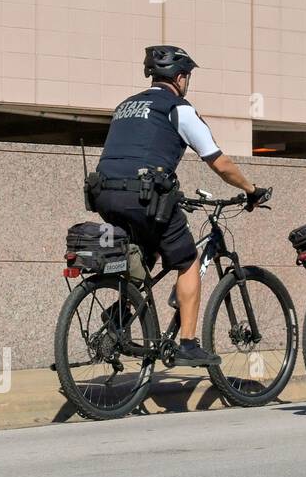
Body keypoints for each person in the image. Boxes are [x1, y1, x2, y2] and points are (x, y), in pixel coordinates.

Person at [91, 46, 270, 366]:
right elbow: (220, 162)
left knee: (145, 251)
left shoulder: (126, 106)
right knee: (187, 260)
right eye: (187, 75)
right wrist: (250, 189)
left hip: (104, 193)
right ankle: (187, 343)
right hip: (143, 196)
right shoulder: (178, 108)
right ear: (180, 76)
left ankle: (122, 313)